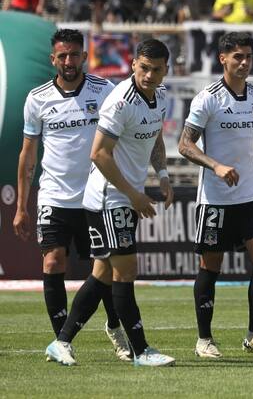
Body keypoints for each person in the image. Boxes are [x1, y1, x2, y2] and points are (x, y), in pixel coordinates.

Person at [44, 39, 176, 367]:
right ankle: (141, 351)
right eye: (143, 68)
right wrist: (134, 195)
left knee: (102, 274)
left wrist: (162, 175)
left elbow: (155, 137)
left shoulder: (159, 97)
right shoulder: (120, 100)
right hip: (108, 198)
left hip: (122, 197)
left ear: (165, 71)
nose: (148, 75)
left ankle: (60, 342)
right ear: (133, 65)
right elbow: (99, 153)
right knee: (126, 271)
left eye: (155, 70)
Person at [13, 29, 129, 362]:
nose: (68, 61)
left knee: (105, 269)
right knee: (53, 261)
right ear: (53, 59)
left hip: (96, 196)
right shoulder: (37, 98)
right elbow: (27, 154)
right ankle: (62, 341)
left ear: (84, 56)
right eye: (62, 55)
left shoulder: (105, 90)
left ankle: (114, 326)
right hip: (54, 196)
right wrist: (22, 207)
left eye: (74, 54)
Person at [178, 32, 253, 359]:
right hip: (216, 198)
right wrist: (215, 165)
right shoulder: (207, 98)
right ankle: (204, 339)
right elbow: (185, 144)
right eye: (238, 57)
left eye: (248, 56)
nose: (245, 63)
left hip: (250, 195)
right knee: (211, 265)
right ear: (223, 59)